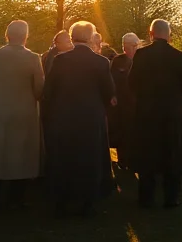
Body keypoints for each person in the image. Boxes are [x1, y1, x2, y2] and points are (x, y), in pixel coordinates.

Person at [42, 21, 116, 216]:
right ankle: (88, 202)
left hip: (64, 117)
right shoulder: (101, 62)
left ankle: (61, 201)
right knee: (89, 159)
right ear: (91, 37)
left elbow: (48, 90)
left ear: (73, 37)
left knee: (64, 158)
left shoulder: (60, 60)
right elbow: (109, 91)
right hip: (91, 118)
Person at [0, 20, 45, 210]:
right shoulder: (33, 58)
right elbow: (39, 88)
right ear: (25, 36)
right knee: (20, 153)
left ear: (7, 35)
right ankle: (17, 198)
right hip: (23, 111)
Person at [128, 19, 182, 208]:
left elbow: (131, 83)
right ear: (169, 34)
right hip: (172, 114)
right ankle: (171, 198)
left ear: (151, 33)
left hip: (147, 114)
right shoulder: (179, 56)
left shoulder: (141, 54)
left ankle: (146, 198)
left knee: (147, 154)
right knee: (172, 155)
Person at [108, 32, 138, 166]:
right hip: (120, 103)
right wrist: (112, 95)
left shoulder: (141, 60)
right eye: (123, 45)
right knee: (121, 132)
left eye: (128, 46)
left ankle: (134, 160)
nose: (125, 48)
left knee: (134, 132)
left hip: (136, 103)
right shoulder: (117, 60)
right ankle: (122, 160)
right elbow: (110, 79)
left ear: (135, 46)